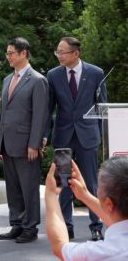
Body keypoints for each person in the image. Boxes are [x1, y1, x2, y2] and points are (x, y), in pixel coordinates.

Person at [44, 37, 106, 241]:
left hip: (88, 137)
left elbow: (102, 108)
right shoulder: (53, 75)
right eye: (57, 52)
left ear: (76, 53)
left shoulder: (96, 73)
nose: (59, 56)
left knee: (90, 183)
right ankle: (66, 227)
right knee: (63, 182)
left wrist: (101, 136)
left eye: (63, 52)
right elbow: (48, 108)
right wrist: (45, 135)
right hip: (63, 136)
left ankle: (96, 226)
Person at [0, 37, 49, 243]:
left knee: (29, 189)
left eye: (11, 53)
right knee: (13, 189)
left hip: (27, 145)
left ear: (23, 53)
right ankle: (17, 225)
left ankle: (30, 227)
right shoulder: (7, 80)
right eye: (7, 53)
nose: (8, 57)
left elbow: (40, 115)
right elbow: (4, 113)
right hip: (8, 144)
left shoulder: (37, 80)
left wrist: (34, 144)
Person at [46, 157, 128, 260]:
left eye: (99, 187)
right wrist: (85, 196)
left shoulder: (104, 252)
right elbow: (116, 219)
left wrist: (51, 195)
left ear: (108, 204)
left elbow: (59, 247)